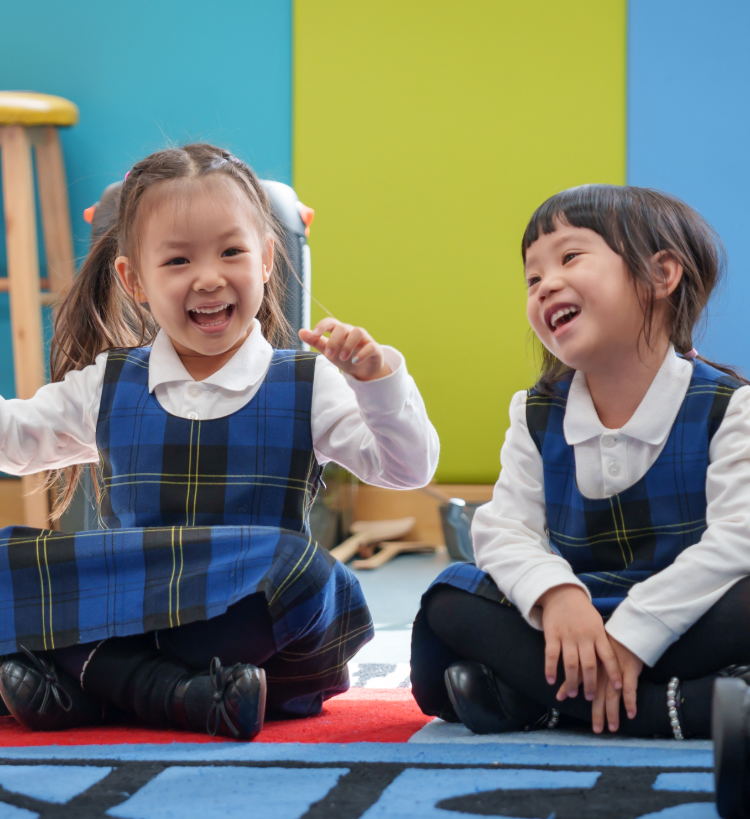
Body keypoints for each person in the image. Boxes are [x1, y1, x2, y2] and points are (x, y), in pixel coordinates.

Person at [0, 143, 439, 740]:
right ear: (134, 281)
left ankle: (96, 683)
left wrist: (378, 383)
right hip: (143, 614)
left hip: (262, 638)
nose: (208, 277)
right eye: (178, 260)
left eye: (231, 252)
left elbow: (408, 469)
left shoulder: (308, 382)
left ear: (266, 259)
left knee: (300, 567)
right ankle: (176, 695)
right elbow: (15, 439)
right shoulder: (108, 384)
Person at [412, 184, 750, 739]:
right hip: (574, 628)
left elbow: (738, 540)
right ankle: (688, 707)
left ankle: (537, 703)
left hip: (688, 615)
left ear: (661, 274)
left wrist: (638, 632)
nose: (545, 284)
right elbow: (503, 531)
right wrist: (557, 596)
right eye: (532, 278)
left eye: (570, 256)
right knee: (450, 599)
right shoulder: (535, 414)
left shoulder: (728, 407)